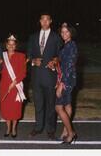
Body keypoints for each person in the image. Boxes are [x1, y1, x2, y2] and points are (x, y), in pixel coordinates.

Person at [27, 12, 62, 140]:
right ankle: (38, 127)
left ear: (51, 21)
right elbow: (29, 54)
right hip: (36, 77)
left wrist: (55, 61)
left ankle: (51, 129)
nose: (45, 22)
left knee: (50, 104)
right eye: (43, 19)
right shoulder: (33, 37)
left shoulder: (56, 37)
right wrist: (33, 61)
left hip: (50, 76)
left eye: (48, 19)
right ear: (40, 21)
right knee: (39, 104)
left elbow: (59, 55)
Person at [0, 34, 27, 138]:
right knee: (6, 108)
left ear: (16, 46)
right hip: (4, 86)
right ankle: (7, 128)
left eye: (13, 45)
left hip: (16, 86)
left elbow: (23, 73)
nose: (11, 46)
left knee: (15, 109)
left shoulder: (21, 56)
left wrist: (14, 83)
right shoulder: (2, 56)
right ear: (6, 45)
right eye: (9, 44)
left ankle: (14, 128)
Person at [55, 22, 78, 144]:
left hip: (67, 80)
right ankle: (65, 131)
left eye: (66, 32)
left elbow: (68, 66)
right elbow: (63, 65)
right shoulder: (66, 45)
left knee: (58, 107)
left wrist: (61, 84)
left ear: (71, 33)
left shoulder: (71, 46)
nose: (64, 34)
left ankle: (71, 133)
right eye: (62, 32)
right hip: (68, 79)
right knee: (67, 105)